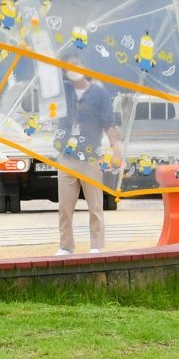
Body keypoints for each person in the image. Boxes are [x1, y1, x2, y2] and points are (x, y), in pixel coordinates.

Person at [54, 70, 119, 255]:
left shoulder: (100, 94)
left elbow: (109, 122)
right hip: (67, 156)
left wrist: (115, 147)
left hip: (91, 156)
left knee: (95, 206)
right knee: (65, 206)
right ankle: (66, 246)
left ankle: (96, 246)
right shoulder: (64, 90)